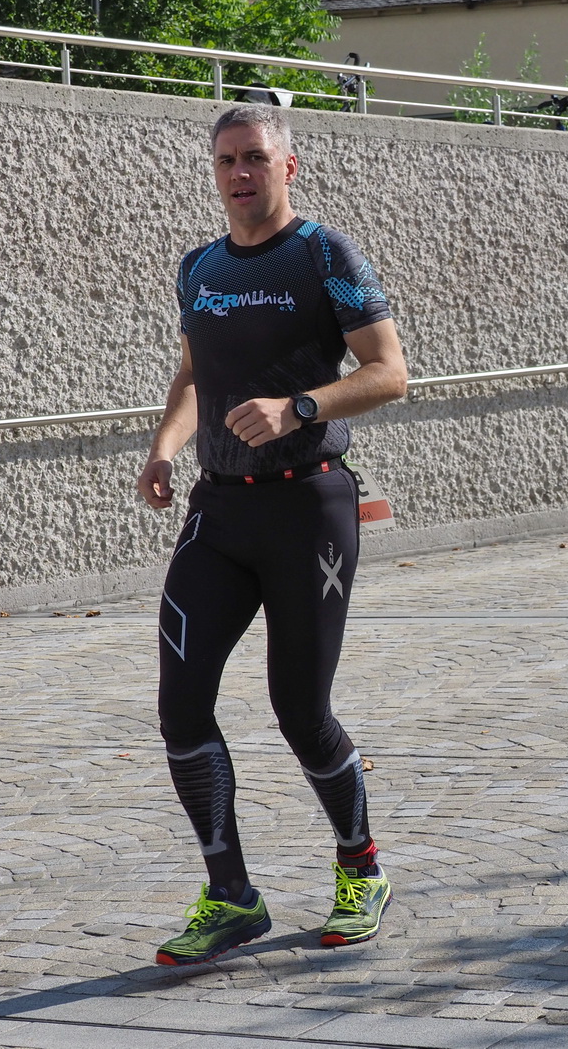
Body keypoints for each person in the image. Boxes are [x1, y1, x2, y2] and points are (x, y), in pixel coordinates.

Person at [135, 103, 409, 966]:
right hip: (219, 512)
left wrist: (299, 405)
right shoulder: (200, 266)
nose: (240, 173)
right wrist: (164, 445)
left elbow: (389, 373)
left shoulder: (325, 256)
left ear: (288, 167)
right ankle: (231, 896)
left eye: (255, 157)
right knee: (181, 704)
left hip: (309, 508)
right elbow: (193, 367)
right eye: (226, 161)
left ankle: (360, 866)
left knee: (300, 709)